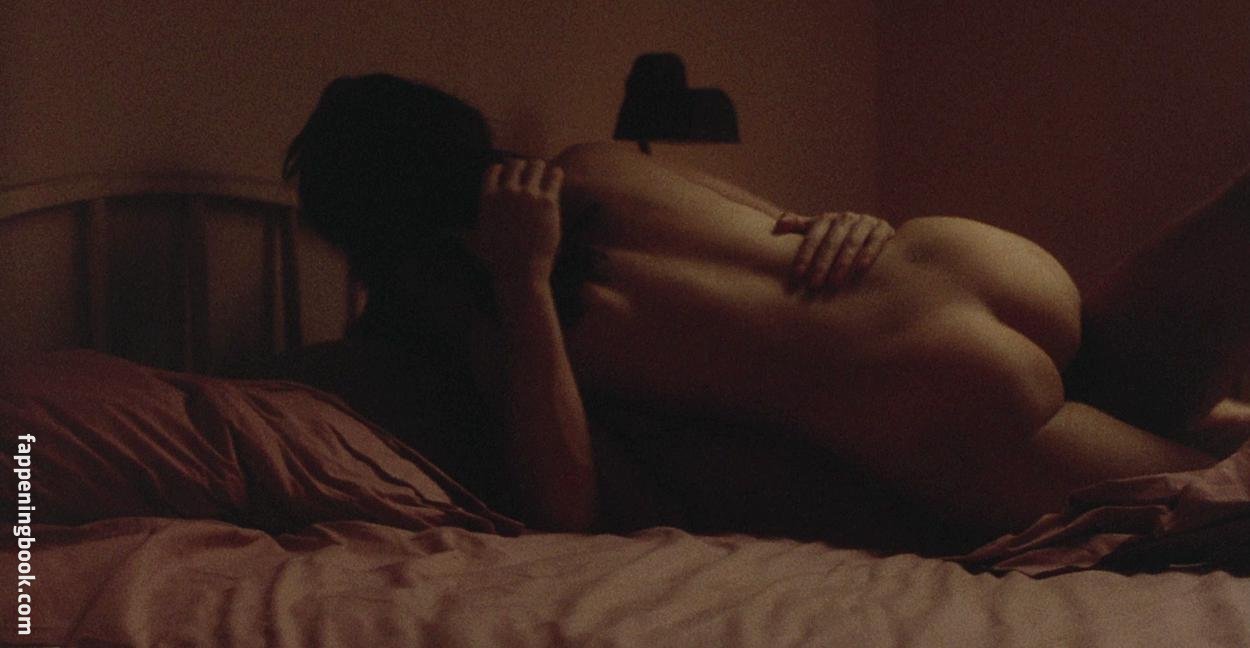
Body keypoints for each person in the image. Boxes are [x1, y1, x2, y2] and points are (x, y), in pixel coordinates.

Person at [281, 74, 1250, 551]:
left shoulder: (501, 314)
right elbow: (793, 224)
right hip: (965, 260)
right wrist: (859, 224)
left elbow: (565, 508)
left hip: (935, 384)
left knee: (1210, 502)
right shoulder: (597, 161)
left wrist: (521, 286)